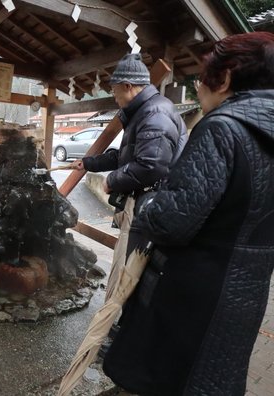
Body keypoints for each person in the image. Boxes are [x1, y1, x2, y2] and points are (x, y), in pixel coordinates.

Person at [102, 31, 274, 396]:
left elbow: (172, 221)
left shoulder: (223, 128)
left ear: (225, 78)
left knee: (173, 376)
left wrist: (147, 205)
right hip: (248, 287)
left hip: (196, 292)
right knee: (214, 378)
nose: (197, 86)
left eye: (202, 77)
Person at [73, 53, 187, 301]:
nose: (114, 96)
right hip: (144, 203)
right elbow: (125, 157)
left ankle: (118, 326)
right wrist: (88, 163)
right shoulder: (143, 112)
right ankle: (117, 319)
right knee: (125, 265)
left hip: (150, 204)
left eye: (114, 91)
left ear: (128, 86)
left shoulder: (154, 114)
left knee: (129, 270)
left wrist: (112, 180)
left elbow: (151, 165)